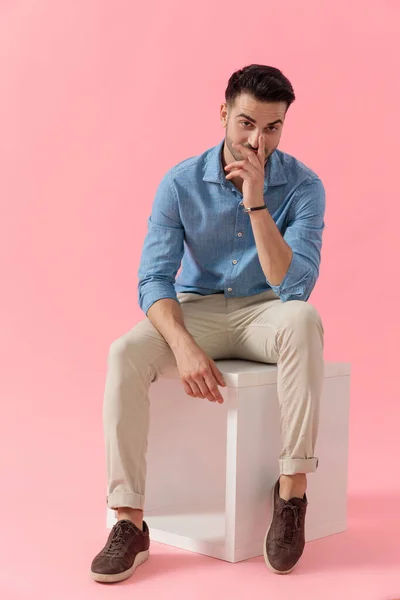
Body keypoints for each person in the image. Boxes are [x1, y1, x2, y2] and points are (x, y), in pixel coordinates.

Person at [91, 64, 325, 583]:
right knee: (124, 353)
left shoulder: (305, 186)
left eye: (272, 127)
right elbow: (153, 279)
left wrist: (257, 201)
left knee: (305, 319)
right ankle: (129, 523)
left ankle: (291, 494)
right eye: (245, 124)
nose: (257, 140)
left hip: (266, 310)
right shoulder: (180, 182)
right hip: (196, 312)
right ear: (223, 114)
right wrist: (183, 346)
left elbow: (294, 285)